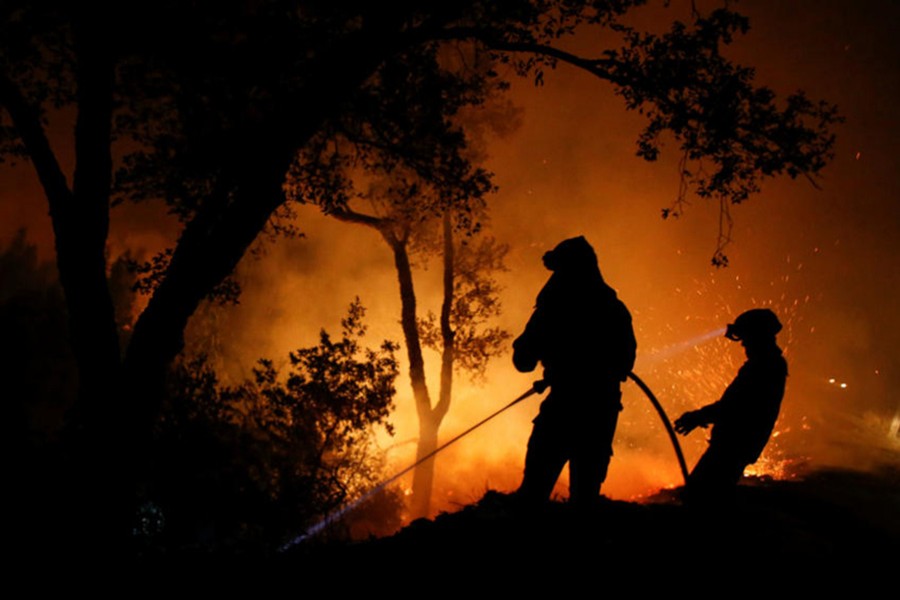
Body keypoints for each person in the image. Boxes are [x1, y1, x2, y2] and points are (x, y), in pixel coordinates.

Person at [512, 236, 636, 506]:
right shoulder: (615, 309)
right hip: (601, 412)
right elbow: (626, 361)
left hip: (563, 408)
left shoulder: (554, 308)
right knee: (585, 496)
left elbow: (524, 360)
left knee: (534, 491)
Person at [674, 308, 788, 503]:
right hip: (738, 444)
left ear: (758, 335)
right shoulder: (769, 364)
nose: (743, 343)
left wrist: (698, 417)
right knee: (708, 495)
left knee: (700, 497)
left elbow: (735, 407)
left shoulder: (764, 367)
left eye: (746, 337)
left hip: (733, 445)